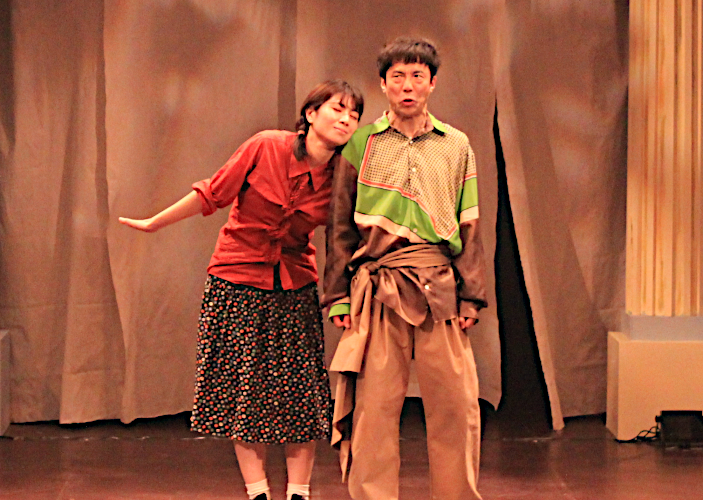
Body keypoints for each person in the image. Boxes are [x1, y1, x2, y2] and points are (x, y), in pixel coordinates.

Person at [119, 80, 364, 500]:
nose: (346, 120)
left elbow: (348, 236)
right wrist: (155, 222)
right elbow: (213, 193)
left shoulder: (344, 176)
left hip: (294, 285)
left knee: (301, 394)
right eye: (337, 109)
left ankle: (299, 493)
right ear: (311, 114)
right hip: (236, 280)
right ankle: (258, 493)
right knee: (244, 392)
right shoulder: (267, 146)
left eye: (354, 115)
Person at [323, 37, 487, 500]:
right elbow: (339, 225)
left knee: (456, 407)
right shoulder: (360, 143)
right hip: (378, 286)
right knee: (373, 410)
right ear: (383, 84)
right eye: (398, 76)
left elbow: (470, 224)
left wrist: (471, 296)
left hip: (440, 288)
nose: (408, 86)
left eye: (417, 76)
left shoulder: (456, 145)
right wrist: (337, 297)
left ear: (433, 83)